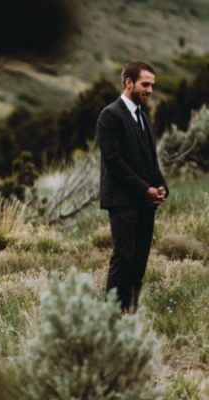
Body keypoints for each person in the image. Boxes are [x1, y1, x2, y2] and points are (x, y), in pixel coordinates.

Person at [97, 61, 169, 312]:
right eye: (145, 84)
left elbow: (150, 159)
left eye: (152, 85)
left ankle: (131, 313)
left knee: (139, 262)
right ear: (129, 82)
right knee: (123, 259)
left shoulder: (142, 116)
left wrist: (161, 187)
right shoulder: (110, 115)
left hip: (145, 204)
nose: (150, 90)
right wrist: (144, 189)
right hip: (123, 203)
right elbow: (114, 162)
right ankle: (111, 318)